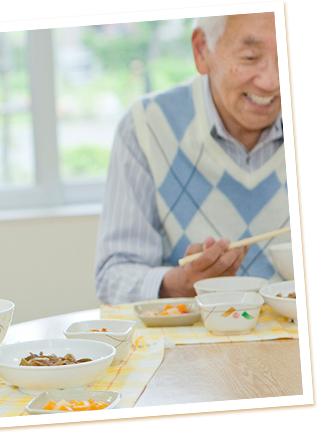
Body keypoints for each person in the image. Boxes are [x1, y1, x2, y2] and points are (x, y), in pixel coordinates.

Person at [94, 12, 290, 305]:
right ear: (202, 50)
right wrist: (178, 284)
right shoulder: (147, 126)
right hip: (189, 348)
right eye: (250, 57)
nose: (272, 81)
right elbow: (113, 276)